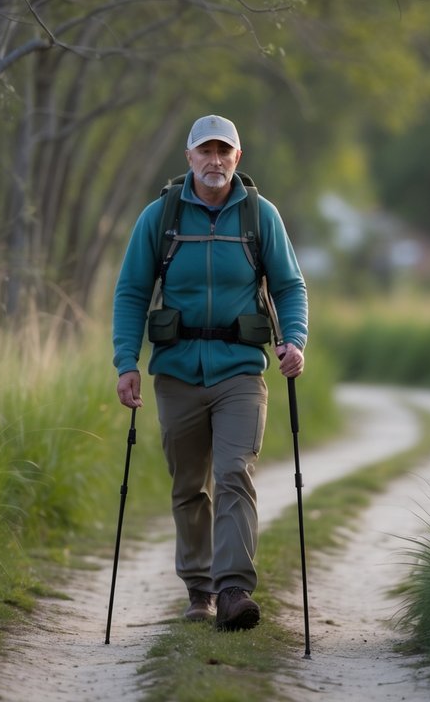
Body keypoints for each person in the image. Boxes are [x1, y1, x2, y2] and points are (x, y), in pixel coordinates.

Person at [112, 113, 307, 631]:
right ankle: (199, 588)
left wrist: (295, 341)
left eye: (225, 151)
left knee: (234, 475)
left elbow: (289, 286)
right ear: (190, 157)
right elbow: (132, 291)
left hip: (241, 370)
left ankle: (234, 590)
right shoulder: (160, 217)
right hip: (175, 372)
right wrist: (125, 363)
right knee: (188, 485)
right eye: (206, 151)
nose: (215, 161)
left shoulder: (261, 216)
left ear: (237, 159)